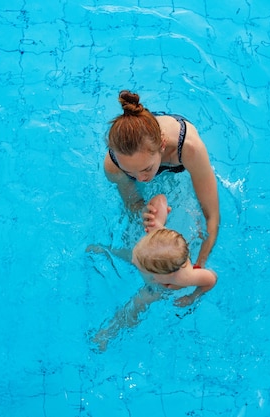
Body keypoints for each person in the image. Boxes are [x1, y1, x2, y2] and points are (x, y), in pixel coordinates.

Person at [104, 90, 220, 268]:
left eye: (146, 169)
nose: (141, 179)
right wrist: (143, 211)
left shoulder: (189, 148)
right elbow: (132, 204)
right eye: (131, 173)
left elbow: (212, 216)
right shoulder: (114, 166)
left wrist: (199, 263)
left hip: (170, 141)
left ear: (162, 145)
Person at [90, 194, 217, 351]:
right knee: (128, 255)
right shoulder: (155, 235)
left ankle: (107, 334)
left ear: (163, 276)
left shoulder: (184, 277)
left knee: (136, 304)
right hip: (153, 259)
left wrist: (192, 297)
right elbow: (162, 199)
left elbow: (211, 279)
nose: (136, 263)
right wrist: (151, 212)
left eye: (141, 265)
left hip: (158, 289)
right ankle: (106, 250)